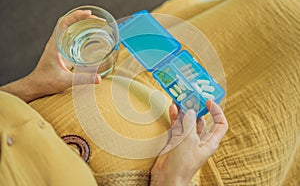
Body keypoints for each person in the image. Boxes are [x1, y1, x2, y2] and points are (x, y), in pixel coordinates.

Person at [0, 10, 228, 185]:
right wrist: (173, 178)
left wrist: (32, 85)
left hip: (127, 81)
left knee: (257, 5)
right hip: (186, 166)